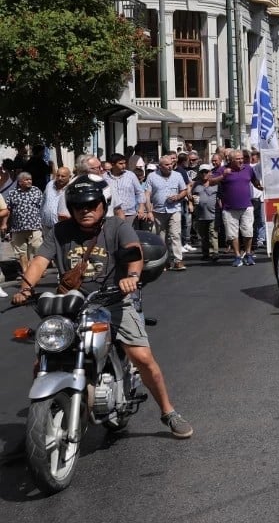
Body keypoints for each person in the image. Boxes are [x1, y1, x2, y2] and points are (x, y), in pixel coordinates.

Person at [9, 175, 194, 439]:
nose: (85, 210)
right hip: (71, 300)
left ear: (102, 205)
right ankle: (40, 423)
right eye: (78, 206)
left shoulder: (117, 227)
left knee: (142, 357)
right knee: (44, 357)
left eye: (91, 205)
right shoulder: (61, 232)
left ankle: (168, 412)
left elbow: (133, 253)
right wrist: (26, 287)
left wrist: (131, 276)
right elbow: (40, 260)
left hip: (115, 299)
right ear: (71, 209)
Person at [206, 150, 262, 266]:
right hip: (229, 209)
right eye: (238, 159)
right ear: (230, 160)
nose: (241, 161)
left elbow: (254, 181)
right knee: (232, 234)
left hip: (246, 206)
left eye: (241, 158)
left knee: (248, 232)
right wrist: (223, 176)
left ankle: (248, 254)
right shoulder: (223, 169)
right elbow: (210, 182)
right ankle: (237, 256)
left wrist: (261, 187)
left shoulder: (248, 169)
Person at [144, 154, 189, 272]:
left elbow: (184, 190)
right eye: (167, 165)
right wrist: (149, 211)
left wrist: (178, 196)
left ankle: (178, 261)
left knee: (175, 235)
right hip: (158, 211)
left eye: (171, 164)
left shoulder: (178, 175)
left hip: (174, 209)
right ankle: (164, 261)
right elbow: (147, 194)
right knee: (160, 237)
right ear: (160, 166)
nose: (170, 167)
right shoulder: (152, 177)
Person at [4, 172, 44, 274]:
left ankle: (38, 268)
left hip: (35, 226)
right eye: (26, 180)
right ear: (20, 182)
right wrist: (4, 224)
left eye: (30, 179)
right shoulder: (13, 193)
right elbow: (8, 209)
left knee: (37, 247)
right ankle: (26, 271)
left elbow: (42, 207)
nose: (29, 181)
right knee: (21, 251)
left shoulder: (36, 190)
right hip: (18, 227)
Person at [104, 153, 147, 224]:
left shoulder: (131, 175)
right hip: (111, 214)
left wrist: (141, 207)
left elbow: (140, 192)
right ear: (113, 164)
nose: (124, 166)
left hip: (129, 214)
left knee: (128, 234)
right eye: (120, 164)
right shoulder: (105, 177)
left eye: (125, 163)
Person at [190, 165, 219, 261]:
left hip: (213, 213)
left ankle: (214, 253)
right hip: (200, 214)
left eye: (206, 172)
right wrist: (191, 200)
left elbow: (220, 197)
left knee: (213, 234)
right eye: (202, 172)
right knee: (203, 235)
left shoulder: (215, 184)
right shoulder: (196, 184)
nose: (204, 174)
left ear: (210, 172)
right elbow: (190, 194)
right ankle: (205, 253)